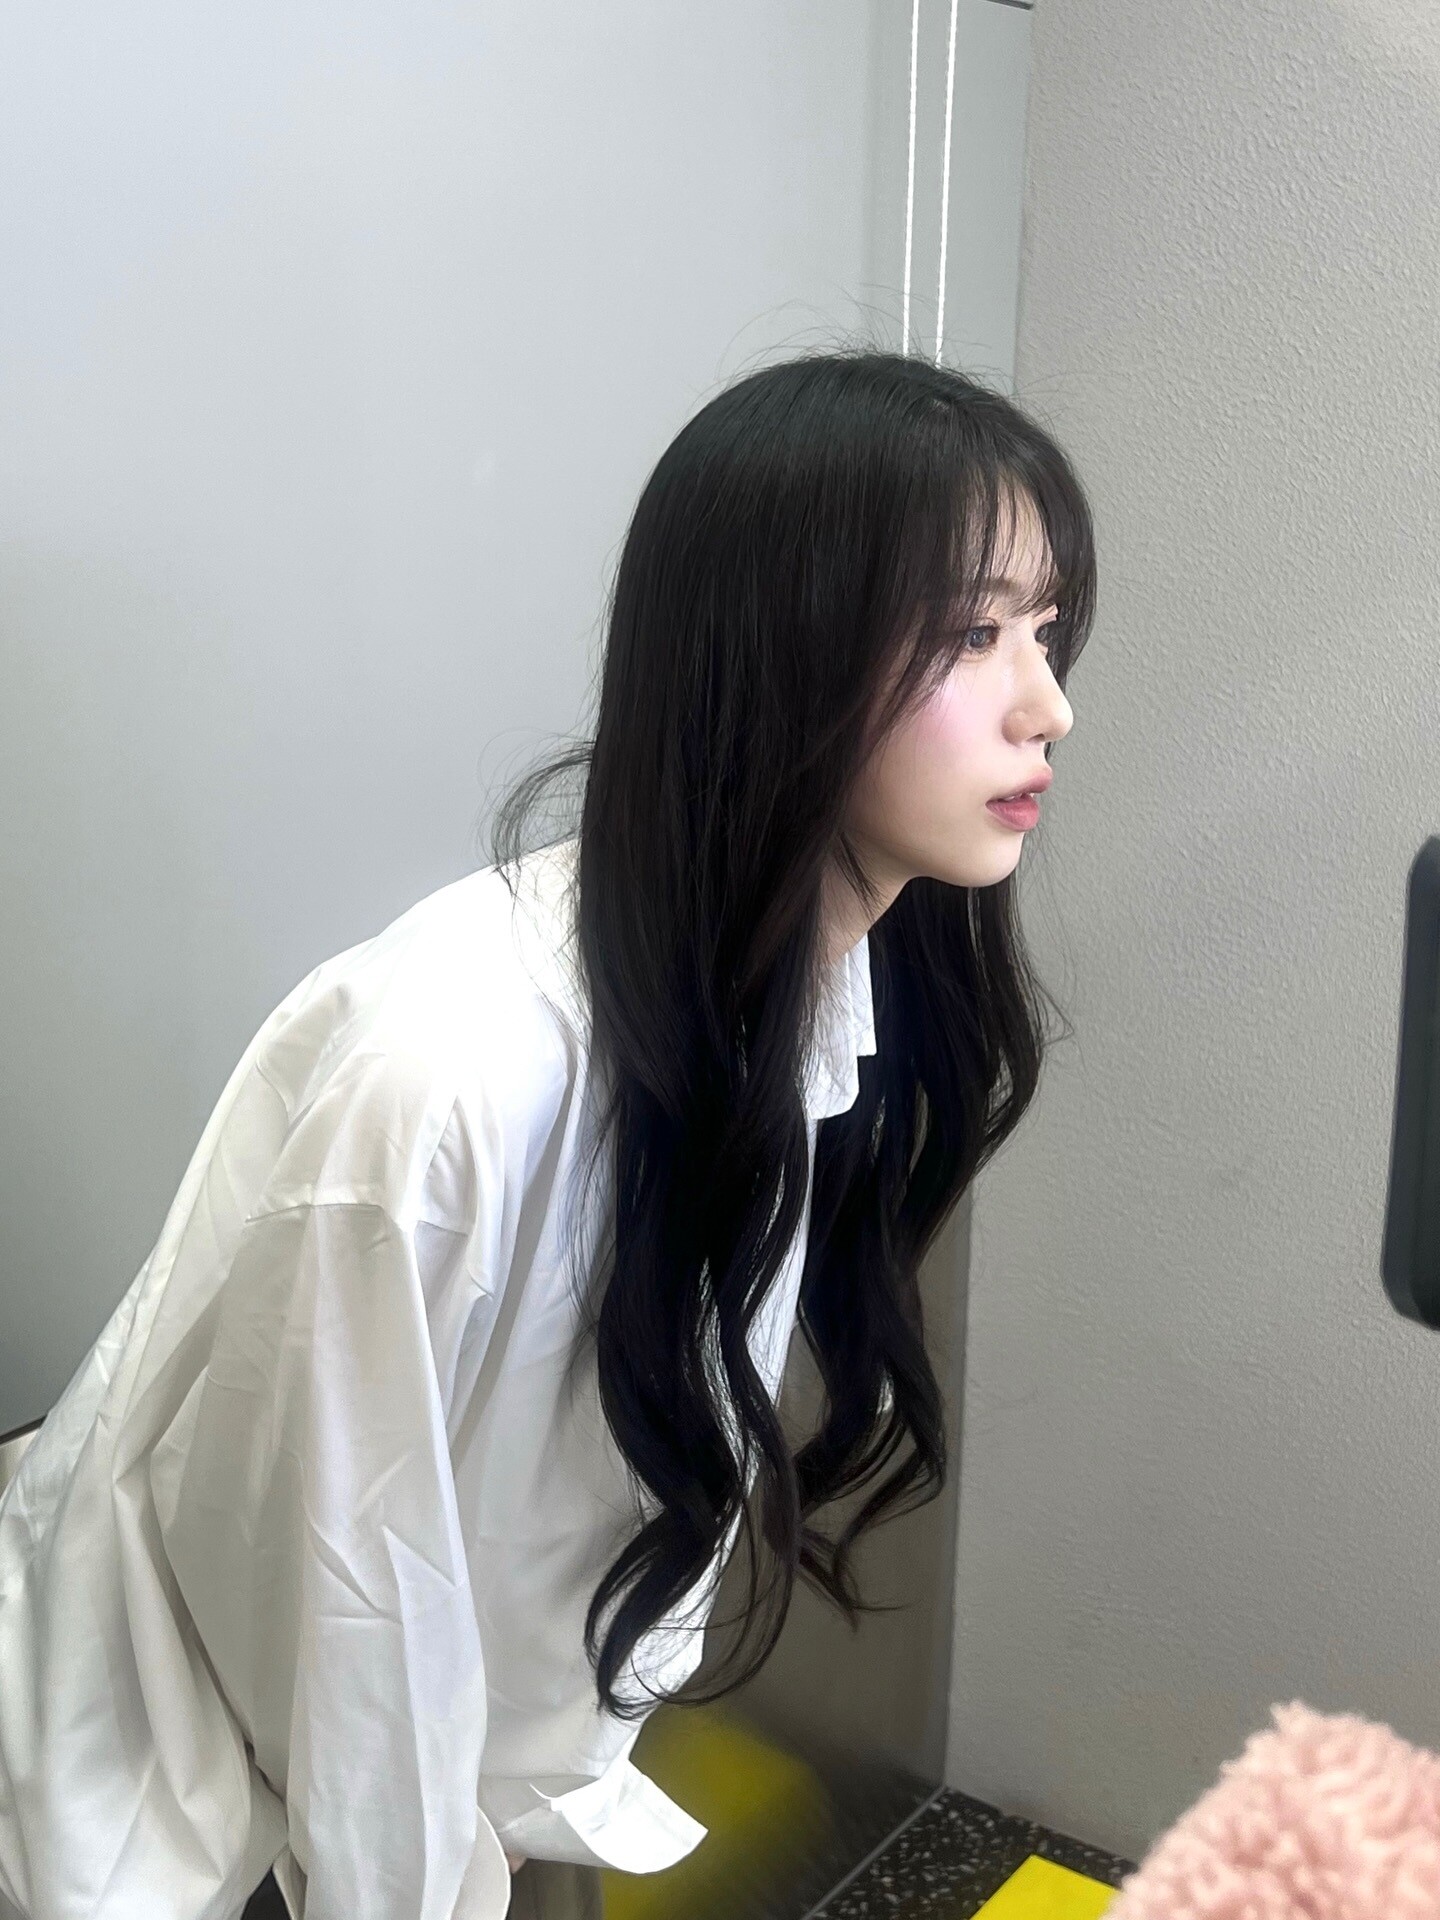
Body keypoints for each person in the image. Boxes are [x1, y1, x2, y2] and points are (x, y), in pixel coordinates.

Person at [0, 343, 1091, 1919]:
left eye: (1045, 630)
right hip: (173, 1813)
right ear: (776, 648)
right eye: (973, 634)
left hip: (414, 1784)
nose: (1049, 705)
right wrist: (439, 1865)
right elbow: (337, 1602)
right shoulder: (459, 1076)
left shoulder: (804, 992)